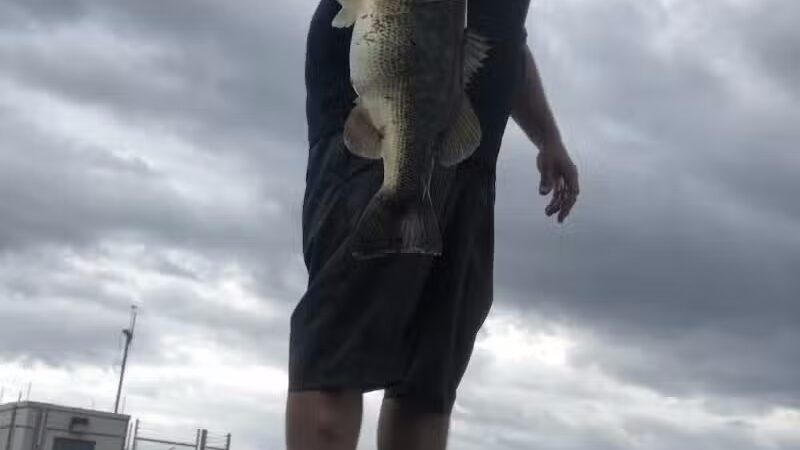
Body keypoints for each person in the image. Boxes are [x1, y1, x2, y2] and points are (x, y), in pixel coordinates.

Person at [286, 0, 579, 449]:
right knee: (335, 363)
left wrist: (548, 136)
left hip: (472, 149)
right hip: (375, 120)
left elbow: (505, 35)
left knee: (428, 383)